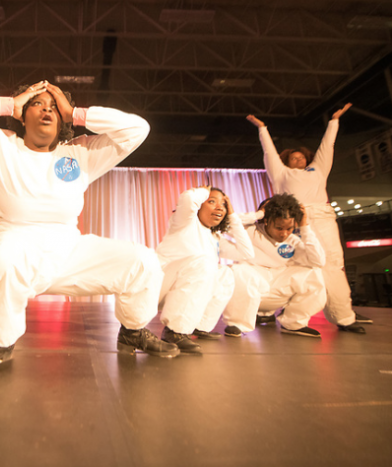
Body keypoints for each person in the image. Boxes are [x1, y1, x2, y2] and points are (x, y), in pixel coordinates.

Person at [0, 80, 178, 374]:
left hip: (69, 249)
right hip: (17, 246)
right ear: (22, 115)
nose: (47, 110)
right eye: (37, 104)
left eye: (54, 107)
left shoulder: (80, 154)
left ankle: (132, 331)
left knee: (142, 260)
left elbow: (138, 129)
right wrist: (6, 105)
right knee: (0, 259)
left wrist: (77, 114)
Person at [246, 104, 371, 334]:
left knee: (332, 263)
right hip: (292, 219)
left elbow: (327, 147)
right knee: (291, 264)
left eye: (301, 157)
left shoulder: (318, 170)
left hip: (321, 217)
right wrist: (262, 128)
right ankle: (272, 311)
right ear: (287, 161)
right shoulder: (281, 173)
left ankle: (344, 316)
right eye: (293, 158)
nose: (298, 160)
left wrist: (334, 121)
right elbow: (269, 153)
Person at [156, 186, 255, 354]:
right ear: (200, 204)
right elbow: (188, 199)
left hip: (182, 289)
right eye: (212, 202)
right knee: (204, 262)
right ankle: (175, 331)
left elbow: (247, 253)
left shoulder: (214, 237)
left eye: (223, 204)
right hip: (159, 285)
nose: (219, 208)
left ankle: (198, 326)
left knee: (225, 273)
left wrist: (232, 215)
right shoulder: (184, 221)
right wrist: (203, 191)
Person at [223, 194, 327, 338]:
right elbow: (223, 223)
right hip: (252, 285)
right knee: (239, 270)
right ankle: (237, 324)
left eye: (289, 228)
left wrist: (305, 227)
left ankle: (294, 323)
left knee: (314, 273)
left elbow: (319, 261)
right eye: (279, 228)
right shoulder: (249, 231)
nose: (284, 233)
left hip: (277, 287)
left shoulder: (293, 241)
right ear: (266, 221)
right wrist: (259, 214)